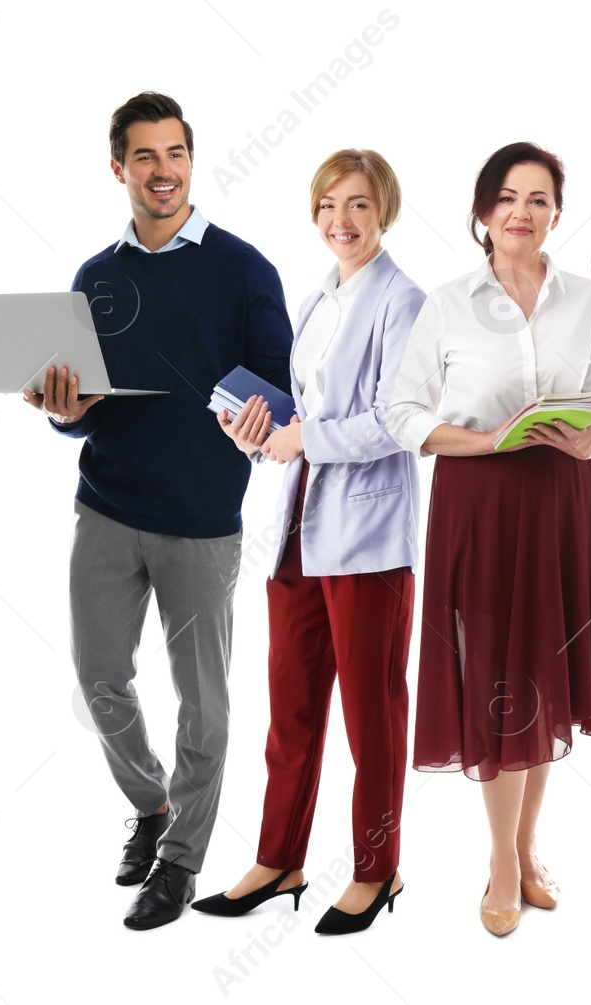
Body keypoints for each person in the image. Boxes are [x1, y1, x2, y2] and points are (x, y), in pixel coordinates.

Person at [23, 91, 292, 929]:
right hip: (105, 508)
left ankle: (178, 865)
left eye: (173, 153)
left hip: (203, 519)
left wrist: (264, 417)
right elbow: (84, 413)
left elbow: (283, 393)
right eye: (144, 156)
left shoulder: (246, 268)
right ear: (119, 169)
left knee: (203, 702)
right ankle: (152, 805)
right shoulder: (95, 278)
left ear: (190, 160)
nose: (162, 170)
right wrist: (63, 407)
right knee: (100, 678)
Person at [386, 142, 591, 938]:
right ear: (484, 213)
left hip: (562, 499)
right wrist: (487, 442)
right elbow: (404, 412)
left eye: (540, 198)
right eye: (509, 198)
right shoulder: (449, 302)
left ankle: (526, 851)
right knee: (495, 673)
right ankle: (498, 861)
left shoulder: (587, 297)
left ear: (558, 211)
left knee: (545, 671)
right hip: (480, 502)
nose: (524, 211)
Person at [191, 149, 424, 934]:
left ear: (383, 209)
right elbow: (299, 417)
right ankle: (279, 856)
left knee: (372, 715)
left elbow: (399, 420)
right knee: (289, 709)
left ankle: (375, 869)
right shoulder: (318, 297)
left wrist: (305, 440)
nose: (340, 221)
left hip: (368, 543)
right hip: (297, 531)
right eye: (328, 205)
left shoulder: (405, 301)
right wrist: (256, 433)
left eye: (357, 204)